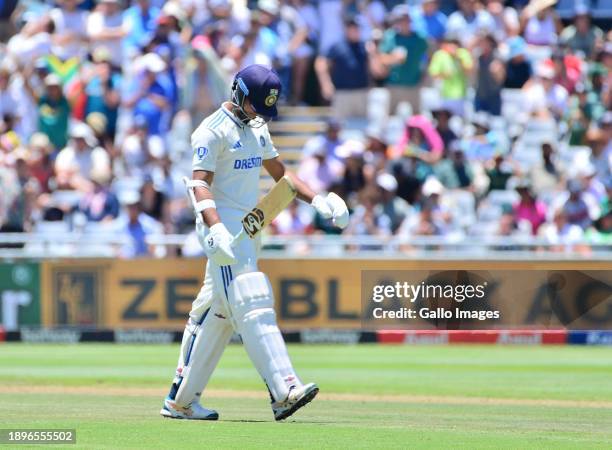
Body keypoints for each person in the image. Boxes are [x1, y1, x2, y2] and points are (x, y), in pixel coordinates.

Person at [162, 65, 349, 421]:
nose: (258, 113)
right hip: (222, 231)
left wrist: (319, 201)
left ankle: (180, 402)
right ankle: (284, 390)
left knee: (217, 313)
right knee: (251, 297)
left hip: (249, 227)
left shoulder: (257, 126)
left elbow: (283, 176)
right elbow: (199, 183)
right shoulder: (211, 131)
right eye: (255, 105)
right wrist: (213, 228)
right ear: (238, 92)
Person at [315, 16, 371, 118]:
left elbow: (375, 69)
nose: (355, 30)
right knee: (341, 127)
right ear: (346, 29)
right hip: (342, 93)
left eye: (357, 28)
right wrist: (326, 84)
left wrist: (373, 52)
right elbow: (321, 63)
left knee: (362, 127)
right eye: (352, 28)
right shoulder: (337, 46)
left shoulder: (365, 46)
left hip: (362, 92)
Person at [377, 5, 428, 115]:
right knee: (391, 117)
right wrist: (393, 58)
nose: (404, 23)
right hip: (394, 84)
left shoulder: (420, 38)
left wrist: (425, 75)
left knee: (416, 118)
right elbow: (381, 58)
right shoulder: (390, 36)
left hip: (414, 84)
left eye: (406, 20)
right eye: (401, 20)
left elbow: (430, 56)